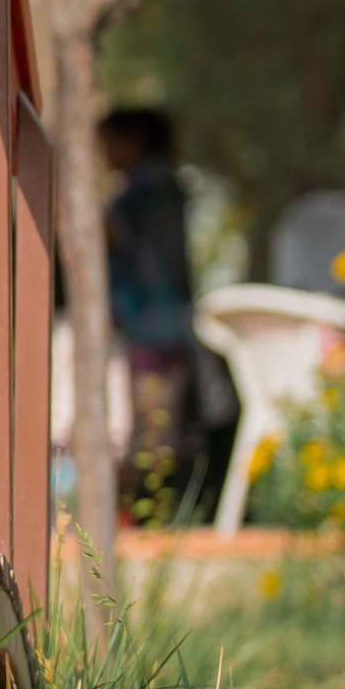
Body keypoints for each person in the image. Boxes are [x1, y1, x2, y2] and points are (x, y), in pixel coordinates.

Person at [100, 108, 236, 518]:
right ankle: (174, 510)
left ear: (134, 141)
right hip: (170, 324)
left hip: (151, 328)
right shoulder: (169, 189)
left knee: (156, 432)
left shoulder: (139, 193)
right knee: (171, 427)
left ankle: (159, 515)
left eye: (109, 142)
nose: (104, 153)